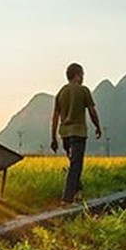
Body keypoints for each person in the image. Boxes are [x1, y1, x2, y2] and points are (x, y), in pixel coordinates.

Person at [50, 62, 102, 204]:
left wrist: (53, 137)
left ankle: (78, 192)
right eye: (82, 74)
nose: (83, 77)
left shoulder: (60, 93)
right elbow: (92, 111)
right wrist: (98, 127)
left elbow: (55, 117)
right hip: (78, 133)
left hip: (64, 134)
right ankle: (67, 199)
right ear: (77, 75)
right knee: (76, 166)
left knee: (74, 164)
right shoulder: (83, 90)